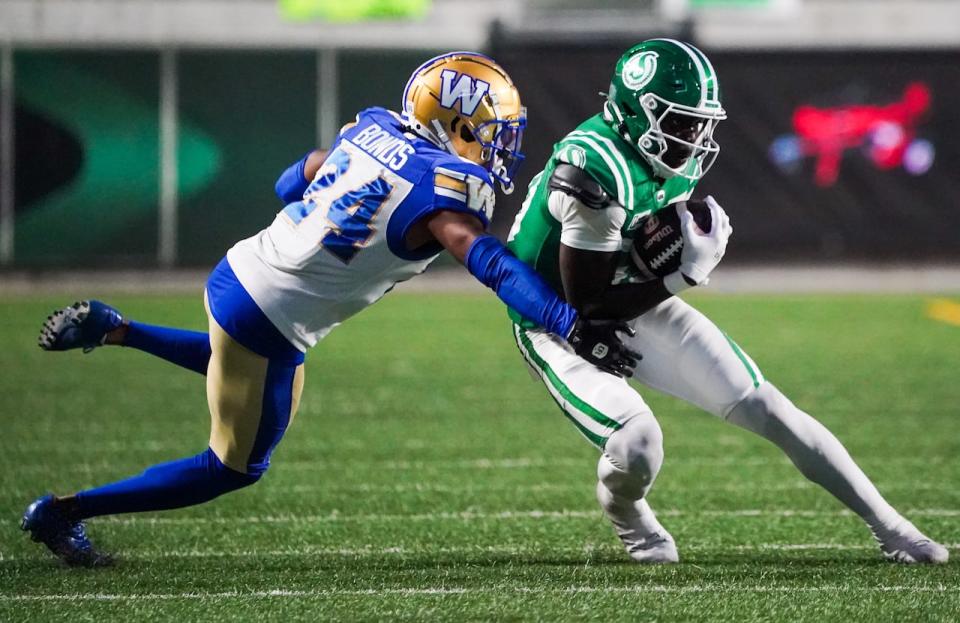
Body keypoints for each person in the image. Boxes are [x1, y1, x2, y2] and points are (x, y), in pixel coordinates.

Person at [22, 51, 640, 567]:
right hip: (269, 310)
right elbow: (495, 265)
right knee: (232, 467)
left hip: (240, 272)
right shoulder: (447, 194)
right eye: (492, 128)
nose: (501, 142)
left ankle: (117, 329)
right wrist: (566, 322)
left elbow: (293, 180)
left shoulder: (373, 130)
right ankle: (62, 512)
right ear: (455, 123)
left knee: (248, 367)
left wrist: (339, 193)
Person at [505, 38, 948, 564]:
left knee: (766, 405)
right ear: (638, 112)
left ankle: (893, 529)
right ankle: (627, 511)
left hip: (621, 295)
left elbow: (627, 265)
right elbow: (589, 307)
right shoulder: (594, 169)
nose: (696, 137)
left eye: (700, 123)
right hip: (555, 319)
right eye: (682, 122)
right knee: (638, 443)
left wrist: (665, 254)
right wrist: (683, 273)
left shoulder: (667, 154)